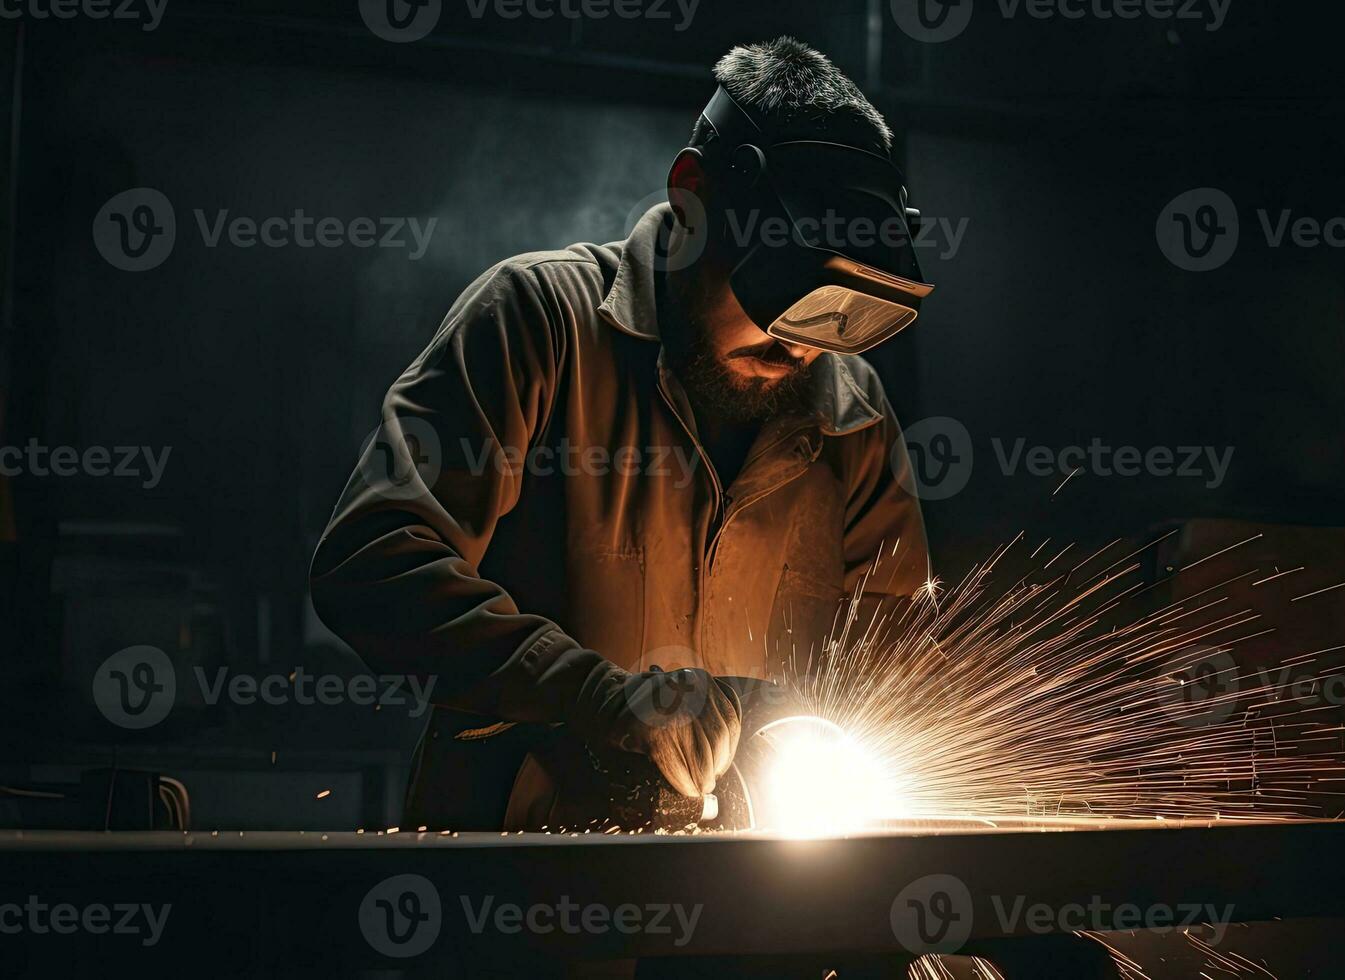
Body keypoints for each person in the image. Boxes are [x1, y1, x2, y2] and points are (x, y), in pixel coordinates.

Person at [311, 37, 933, 831]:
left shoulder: (851, 413)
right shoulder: (537, 322)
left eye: (827, 317)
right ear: (691, 196)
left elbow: (897, 660)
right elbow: (372, 560)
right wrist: (592, 697)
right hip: (520, 887)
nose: (800, 346)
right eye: (775, 296)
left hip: (752, 908)